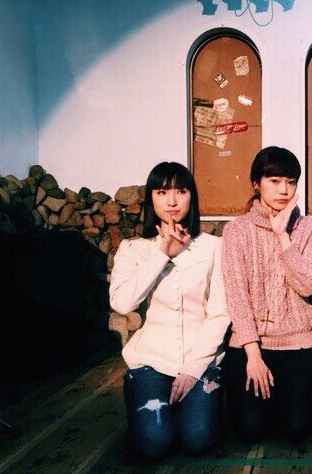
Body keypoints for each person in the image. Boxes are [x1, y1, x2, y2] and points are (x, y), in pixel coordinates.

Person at [110, 162, 229, 461]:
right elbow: (122, 303)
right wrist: (162, 254)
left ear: (192, 196)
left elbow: (219, 314)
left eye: (181, 191)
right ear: (150, 198)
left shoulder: (214, 246)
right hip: (151, 361)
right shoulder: (134, 248)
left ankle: (187, 412)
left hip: (200, 360)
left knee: (197, 438)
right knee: (154, 444)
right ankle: (146, 409)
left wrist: (192, 369)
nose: (172, 201)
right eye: (162, 192)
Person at [222, 146, 312, 442]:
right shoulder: (237, 230)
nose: (284, 190)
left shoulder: (309, 228)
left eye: (291, 182)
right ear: (257, 183)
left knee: (297, 428)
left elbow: (308, 285)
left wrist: (283, 236)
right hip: (251, 346)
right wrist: (253, 354)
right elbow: (237, 296)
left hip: (299, 345)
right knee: (250, 429)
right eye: (275, 181)